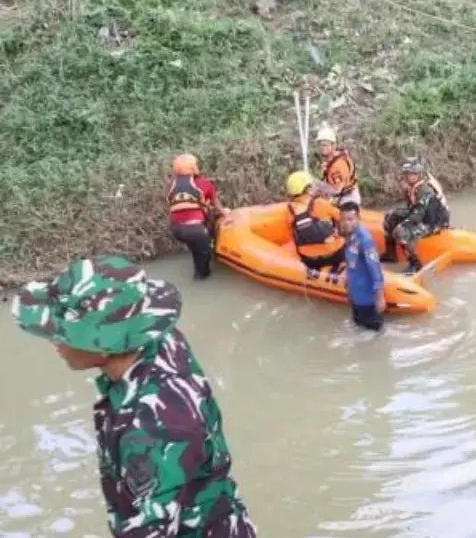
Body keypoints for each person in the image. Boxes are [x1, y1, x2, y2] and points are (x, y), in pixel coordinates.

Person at [10, 255, 256, 537]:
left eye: (64, 335)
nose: (56, 345)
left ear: (104, 344)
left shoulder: (150, 430)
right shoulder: (160, 340)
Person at [382, 158, 451, 272]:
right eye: (407, 174)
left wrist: (402, 225)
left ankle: (415, 263)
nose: (409, 176)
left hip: (432, 222)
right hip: (421, 214)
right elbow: (411, 208)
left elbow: (416, 216)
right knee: (390, 217)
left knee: (400, 231)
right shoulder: (411, 187)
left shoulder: (424, 190)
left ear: (419, 174)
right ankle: (391, 254)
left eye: (413, 173)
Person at [166, 153, 227, 281]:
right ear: (193, 167)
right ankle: (201, 283)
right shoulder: (204, 183)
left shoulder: (171, 186)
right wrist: (225, 212)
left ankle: (198, 275)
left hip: (177, 230)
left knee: (196, 251)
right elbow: (217, 206)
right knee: (203, 264)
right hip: (196, 230)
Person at [339, 203, 386, 331]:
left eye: (350, 219)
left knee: (374, 335)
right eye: (343, 219)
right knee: (358, 329)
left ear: (358, 218)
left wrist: (380, 298)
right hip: (356, 296)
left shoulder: (365, 240)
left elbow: (375, 269)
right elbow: (352, 261)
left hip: (367, 300)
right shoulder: (350, 237)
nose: (346, 223)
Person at [286, 170, 346, 270]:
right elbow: (342, 218)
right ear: (308, 189)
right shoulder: (320, 203)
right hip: (333, 255)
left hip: (308, 259)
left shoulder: (290, 210)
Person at [314, 125, 361, 208]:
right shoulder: (332, 159)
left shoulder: (338, 165)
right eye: (321, 145)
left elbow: (337, 190)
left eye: (325, 145)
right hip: (341, 196)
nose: (322, 148)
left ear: (333, 145)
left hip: (347, 198)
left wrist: (318, 186)